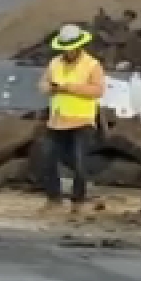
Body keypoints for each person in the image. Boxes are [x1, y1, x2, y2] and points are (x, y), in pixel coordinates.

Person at [35, 23, 105, 205]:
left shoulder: (92, 65)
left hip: (82, 121)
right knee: (48, 158)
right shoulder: (55, 63)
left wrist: (70, 88)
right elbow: (43, 84)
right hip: (57, 120)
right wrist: (49, 88)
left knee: (80, 162)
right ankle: (53, 197)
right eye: (66, 49)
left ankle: (78, 199)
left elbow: (97, 91)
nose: (69, 52)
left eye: (72, 49)